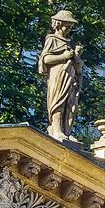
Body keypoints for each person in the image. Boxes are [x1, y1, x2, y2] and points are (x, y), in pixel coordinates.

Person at [38, 9, 83, 142]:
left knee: (70, 104)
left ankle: (66, 131)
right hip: (58, 76)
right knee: (58, 101)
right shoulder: (52, 40)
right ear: (58, 24)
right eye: (67, 25)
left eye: (70, 26)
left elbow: (78, 66)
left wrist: (76, 55)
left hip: (70, 78)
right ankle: (56, 129)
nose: (69, 28)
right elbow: (45, 60)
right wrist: (64, 56)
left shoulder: (68, 43)